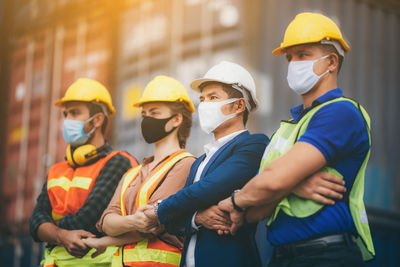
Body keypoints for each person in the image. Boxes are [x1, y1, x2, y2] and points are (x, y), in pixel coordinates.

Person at [218, 12, 375, 266]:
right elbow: (258, 210)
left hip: (325, 255)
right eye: (290, 57)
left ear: (331, 62)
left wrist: (235, 200)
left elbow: (270, 182)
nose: (293, 64)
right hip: (282, 257)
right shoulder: (290, 128)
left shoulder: (340, 112)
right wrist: (289, 186)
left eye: (303, 55)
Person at [83, 75, 196, 267]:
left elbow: (153, 224)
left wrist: (109, 235)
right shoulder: (132, 174)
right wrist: (134, 221)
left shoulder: (186, 165)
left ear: (176, 119)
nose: (146, 120)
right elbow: (106, 222)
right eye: (144, 115)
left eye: (154, 112)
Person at [29, 78, 138, 266]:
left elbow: (89, 218)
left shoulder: (118, 162)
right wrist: (61, 235)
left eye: (75, 113)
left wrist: (48, 231)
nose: (67, 120)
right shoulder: (57, 170)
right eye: (66, 114)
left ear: (97, 120)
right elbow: (34, 222)